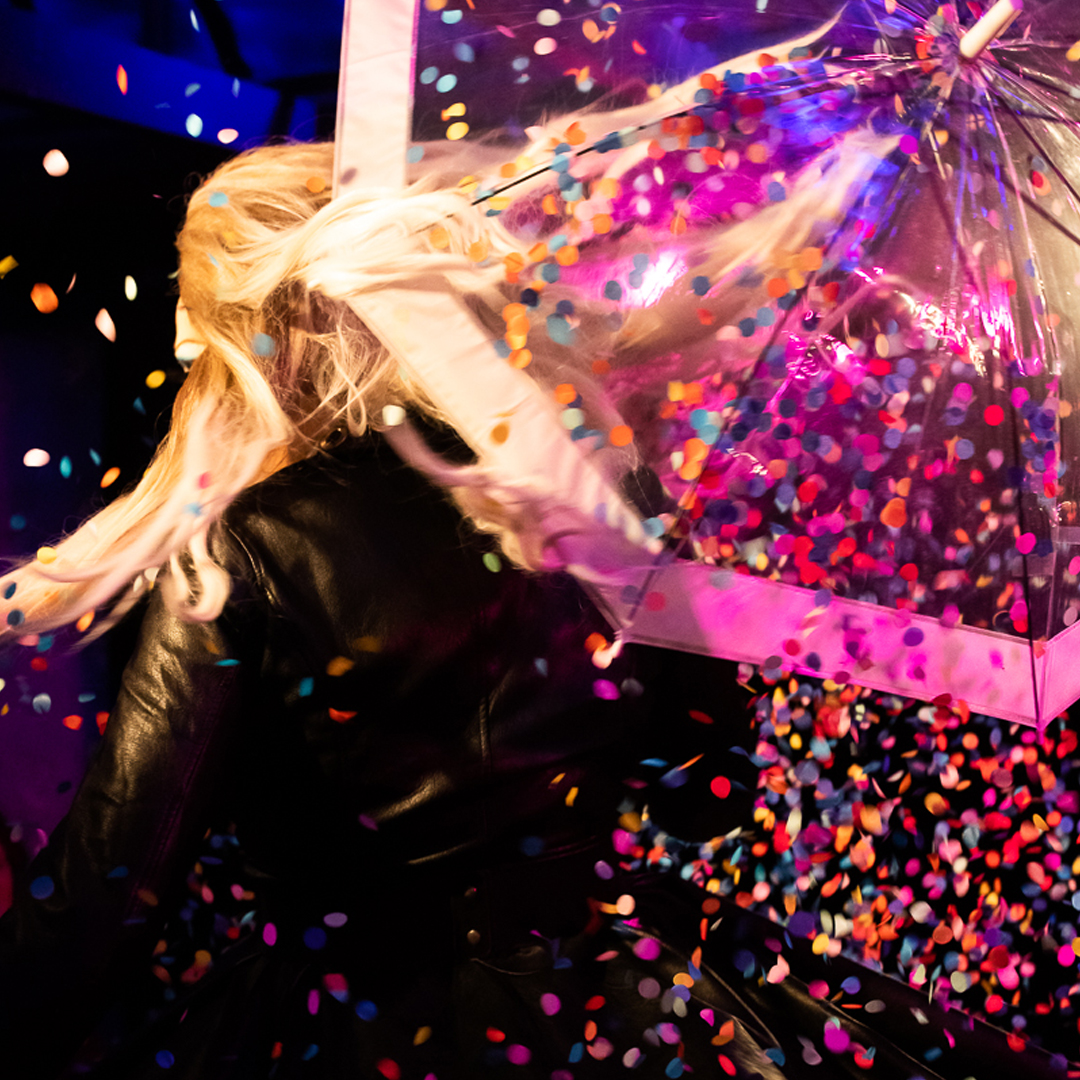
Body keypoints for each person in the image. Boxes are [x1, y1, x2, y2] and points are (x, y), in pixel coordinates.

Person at [0, 141, 1072, 1080]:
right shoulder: (590, 488)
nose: (189, 359)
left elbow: (112, 881)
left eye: (198, 332)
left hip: (348, 1024)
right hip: (612, 1011)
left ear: (255, 334)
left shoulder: (248, 545)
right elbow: (712, 788)